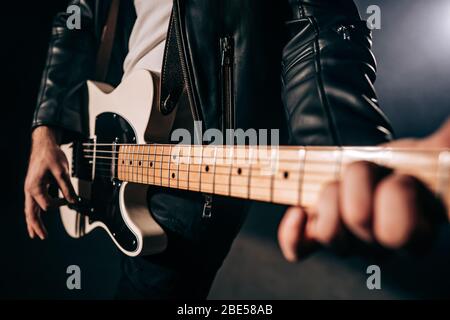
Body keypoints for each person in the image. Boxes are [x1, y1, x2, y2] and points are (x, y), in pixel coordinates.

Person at [24, 0, 448, 298]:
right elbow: (76, 16)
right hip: (112, 127)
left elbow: (319, 22)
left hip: (198, 171)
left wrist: (342, 154)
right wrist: (46, 126)